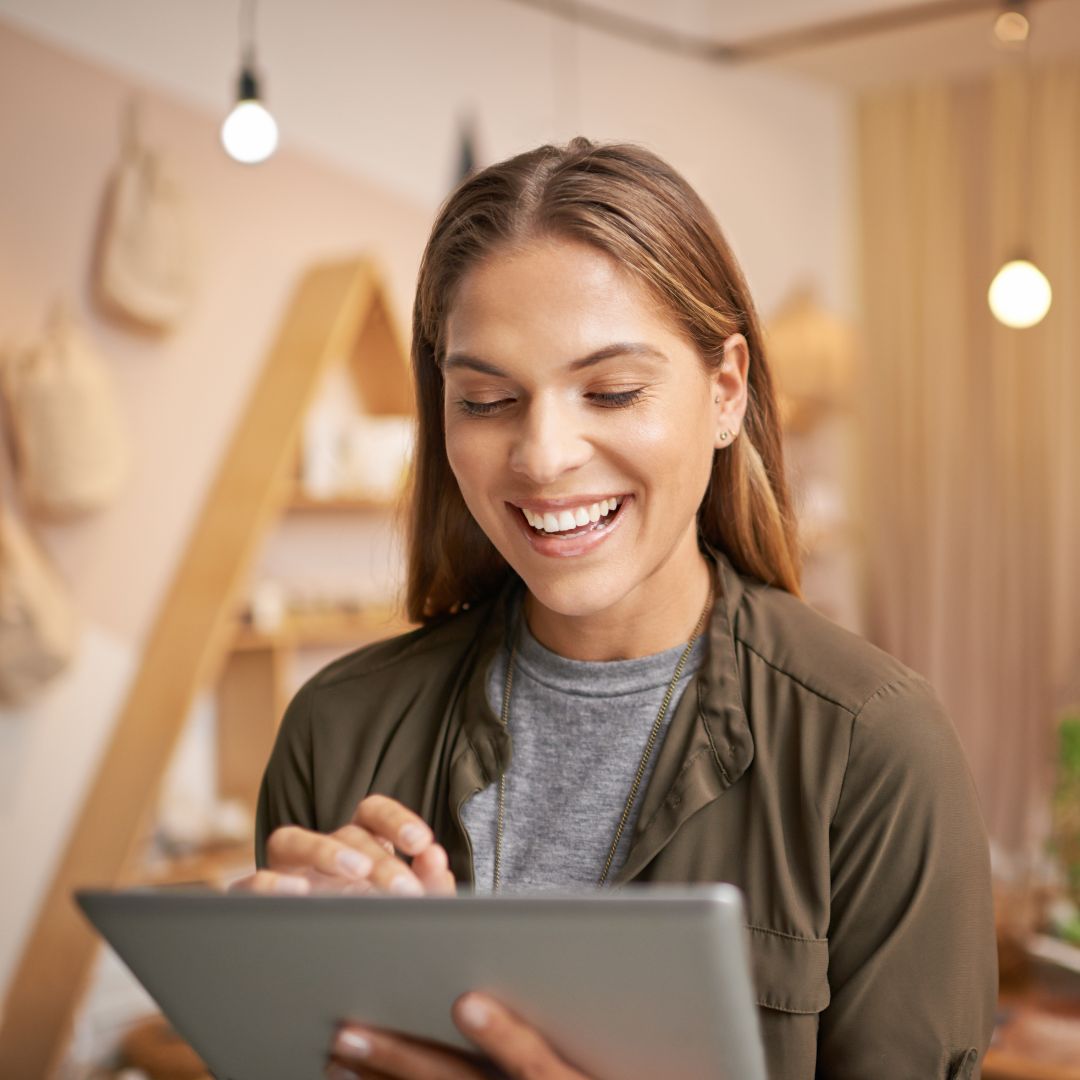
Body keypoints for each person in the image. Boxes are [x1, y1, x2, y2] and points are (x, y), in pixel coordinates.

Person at [239, 137, 998, 1079]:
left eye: (612, 390)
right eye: (487, 400)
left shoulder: (872, 747)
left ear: (725, 391)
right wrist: (271, 1010)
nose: (544, 455)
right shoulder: (336, 730)